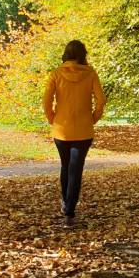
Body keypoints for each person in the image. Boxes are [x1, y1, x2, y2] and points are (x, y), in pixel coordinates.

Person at [43, 40, 106, 227]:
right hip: (83, 129)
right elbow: (101, 100)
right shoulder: (91, 74)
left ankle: (66, 203)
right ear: (82, 54)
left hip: (61, 129)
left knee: (65, 166)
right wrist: (93, 118)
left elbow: (46, 101)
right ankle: (69, 210)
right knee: (75, 170)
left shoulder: (56, 73)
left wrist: (52, 118)